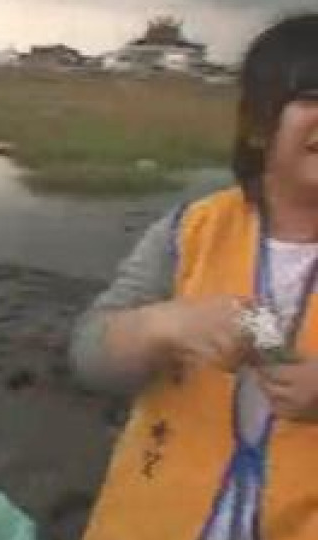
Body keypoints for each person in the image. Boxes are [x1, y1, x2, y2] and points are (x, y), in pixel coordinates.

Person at [70, 14, 318, 540]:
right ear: (257, 125)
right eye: (311, 98)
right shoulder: (189, 230)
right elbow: (89, 358)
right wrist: (162, 326)